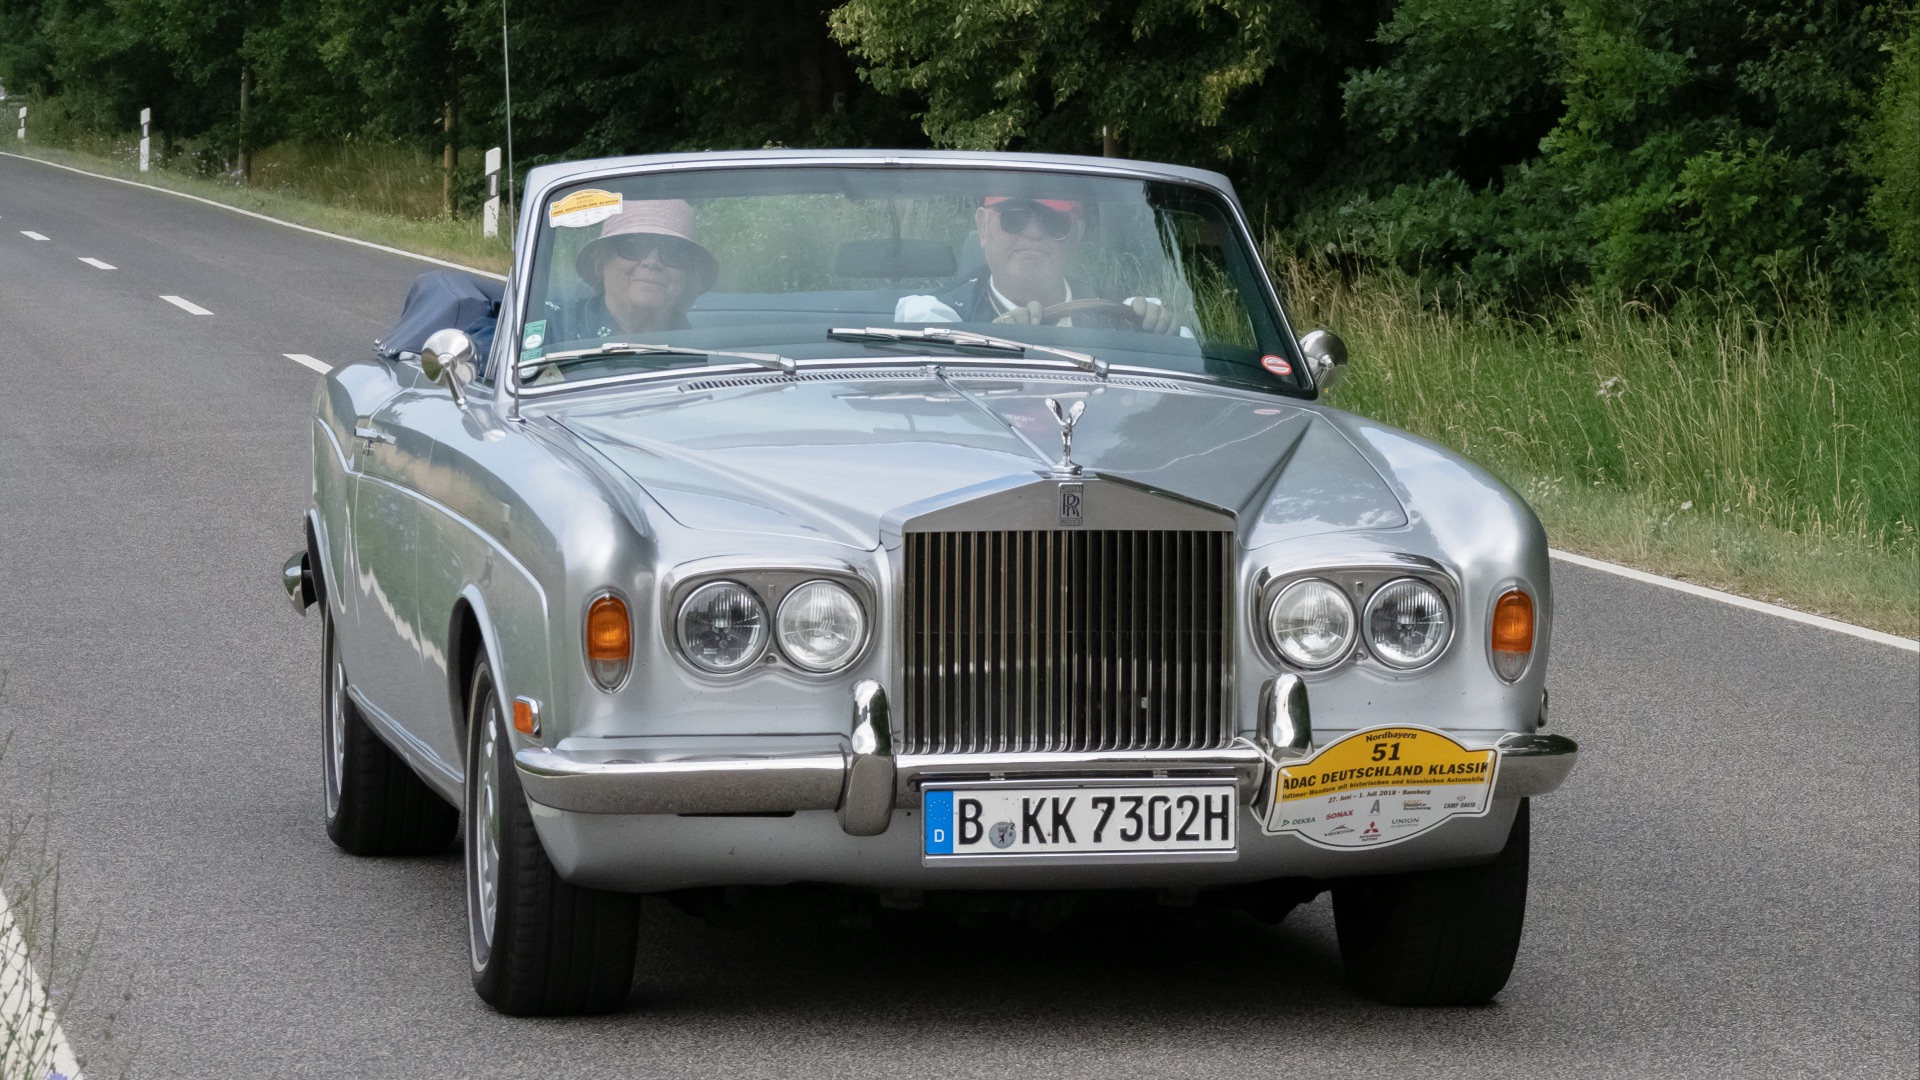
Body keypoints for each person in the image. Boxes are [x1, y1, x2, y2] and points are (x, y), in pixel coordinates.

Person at [894, 197, 1178, 333]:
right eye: (1014, 217)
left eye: (1054, 221)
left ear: (1076, 235)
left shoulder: (1124, 316)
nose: (1032, 233)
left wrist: (1162, 334)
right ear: (982, 228)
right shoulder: (937, 319)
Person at [560, 199, 719, 340]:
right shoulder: (554, 330)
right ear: (601, 262)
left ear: (688, 274)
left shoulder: (697, 352)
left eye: (673, 252)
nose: (652, 262)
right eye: (633, 245)